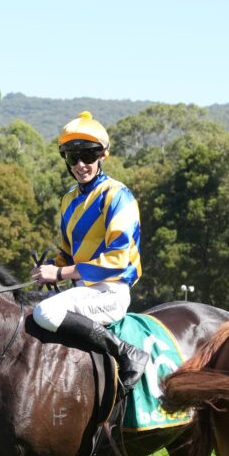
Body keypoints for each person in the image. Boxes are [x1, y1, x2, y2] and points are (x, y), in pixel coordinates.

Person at [30, 111, 150, 389]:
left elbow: (117, 260)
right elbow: (66, 253)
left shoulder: (118, 195)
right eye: (73, 157)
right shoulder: (68, 200)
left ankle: (126, 352)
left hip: (111, 290)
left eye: (88, 155)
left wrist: (59, 273)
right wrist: (49, 268)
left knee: (45, 313)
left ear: (102, 156)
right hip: (81, 291)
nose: (81, 164)